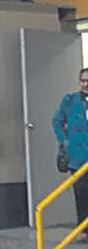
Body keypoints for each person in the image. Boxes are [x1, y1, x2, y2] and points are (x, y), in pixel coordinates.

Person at [54, 68, 88, 238]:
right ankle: (84, 231)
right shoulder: (70, 101)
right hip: (78, 157)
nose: (85, 84)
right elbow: (57, 122)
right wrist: (64, 141)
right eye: (83, 81)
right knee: (81, 195)